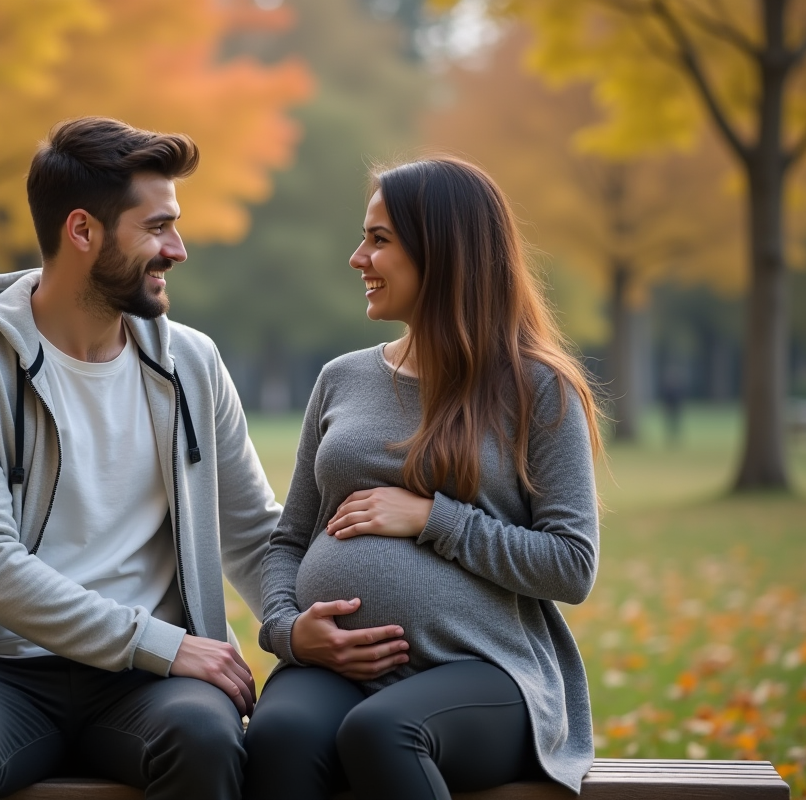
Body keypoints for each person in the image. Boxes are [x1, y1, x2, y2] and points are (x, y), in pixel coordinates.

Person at [0, 117, 282, 800]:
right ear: (82, 231)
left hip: (151, 683)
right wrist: (161, 642)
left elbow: (255, 532)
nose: (177, 249)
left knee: (206, 739)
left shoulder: (192, 363)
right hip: (2, 668)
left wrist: (296, 624)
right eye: (157, 227)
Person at [245, 157, 603, 800]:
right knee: (277, 738)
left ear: (444, 254)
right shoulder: (341, 378)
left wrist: (432, 518)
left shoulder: (537, 388)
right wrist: (288, 631)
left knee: (383, 733)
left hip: (486, 671)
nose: (358, 258)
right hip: (334, 671)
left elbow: (571, 565)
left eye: (379, 240)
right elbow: (290, 539)